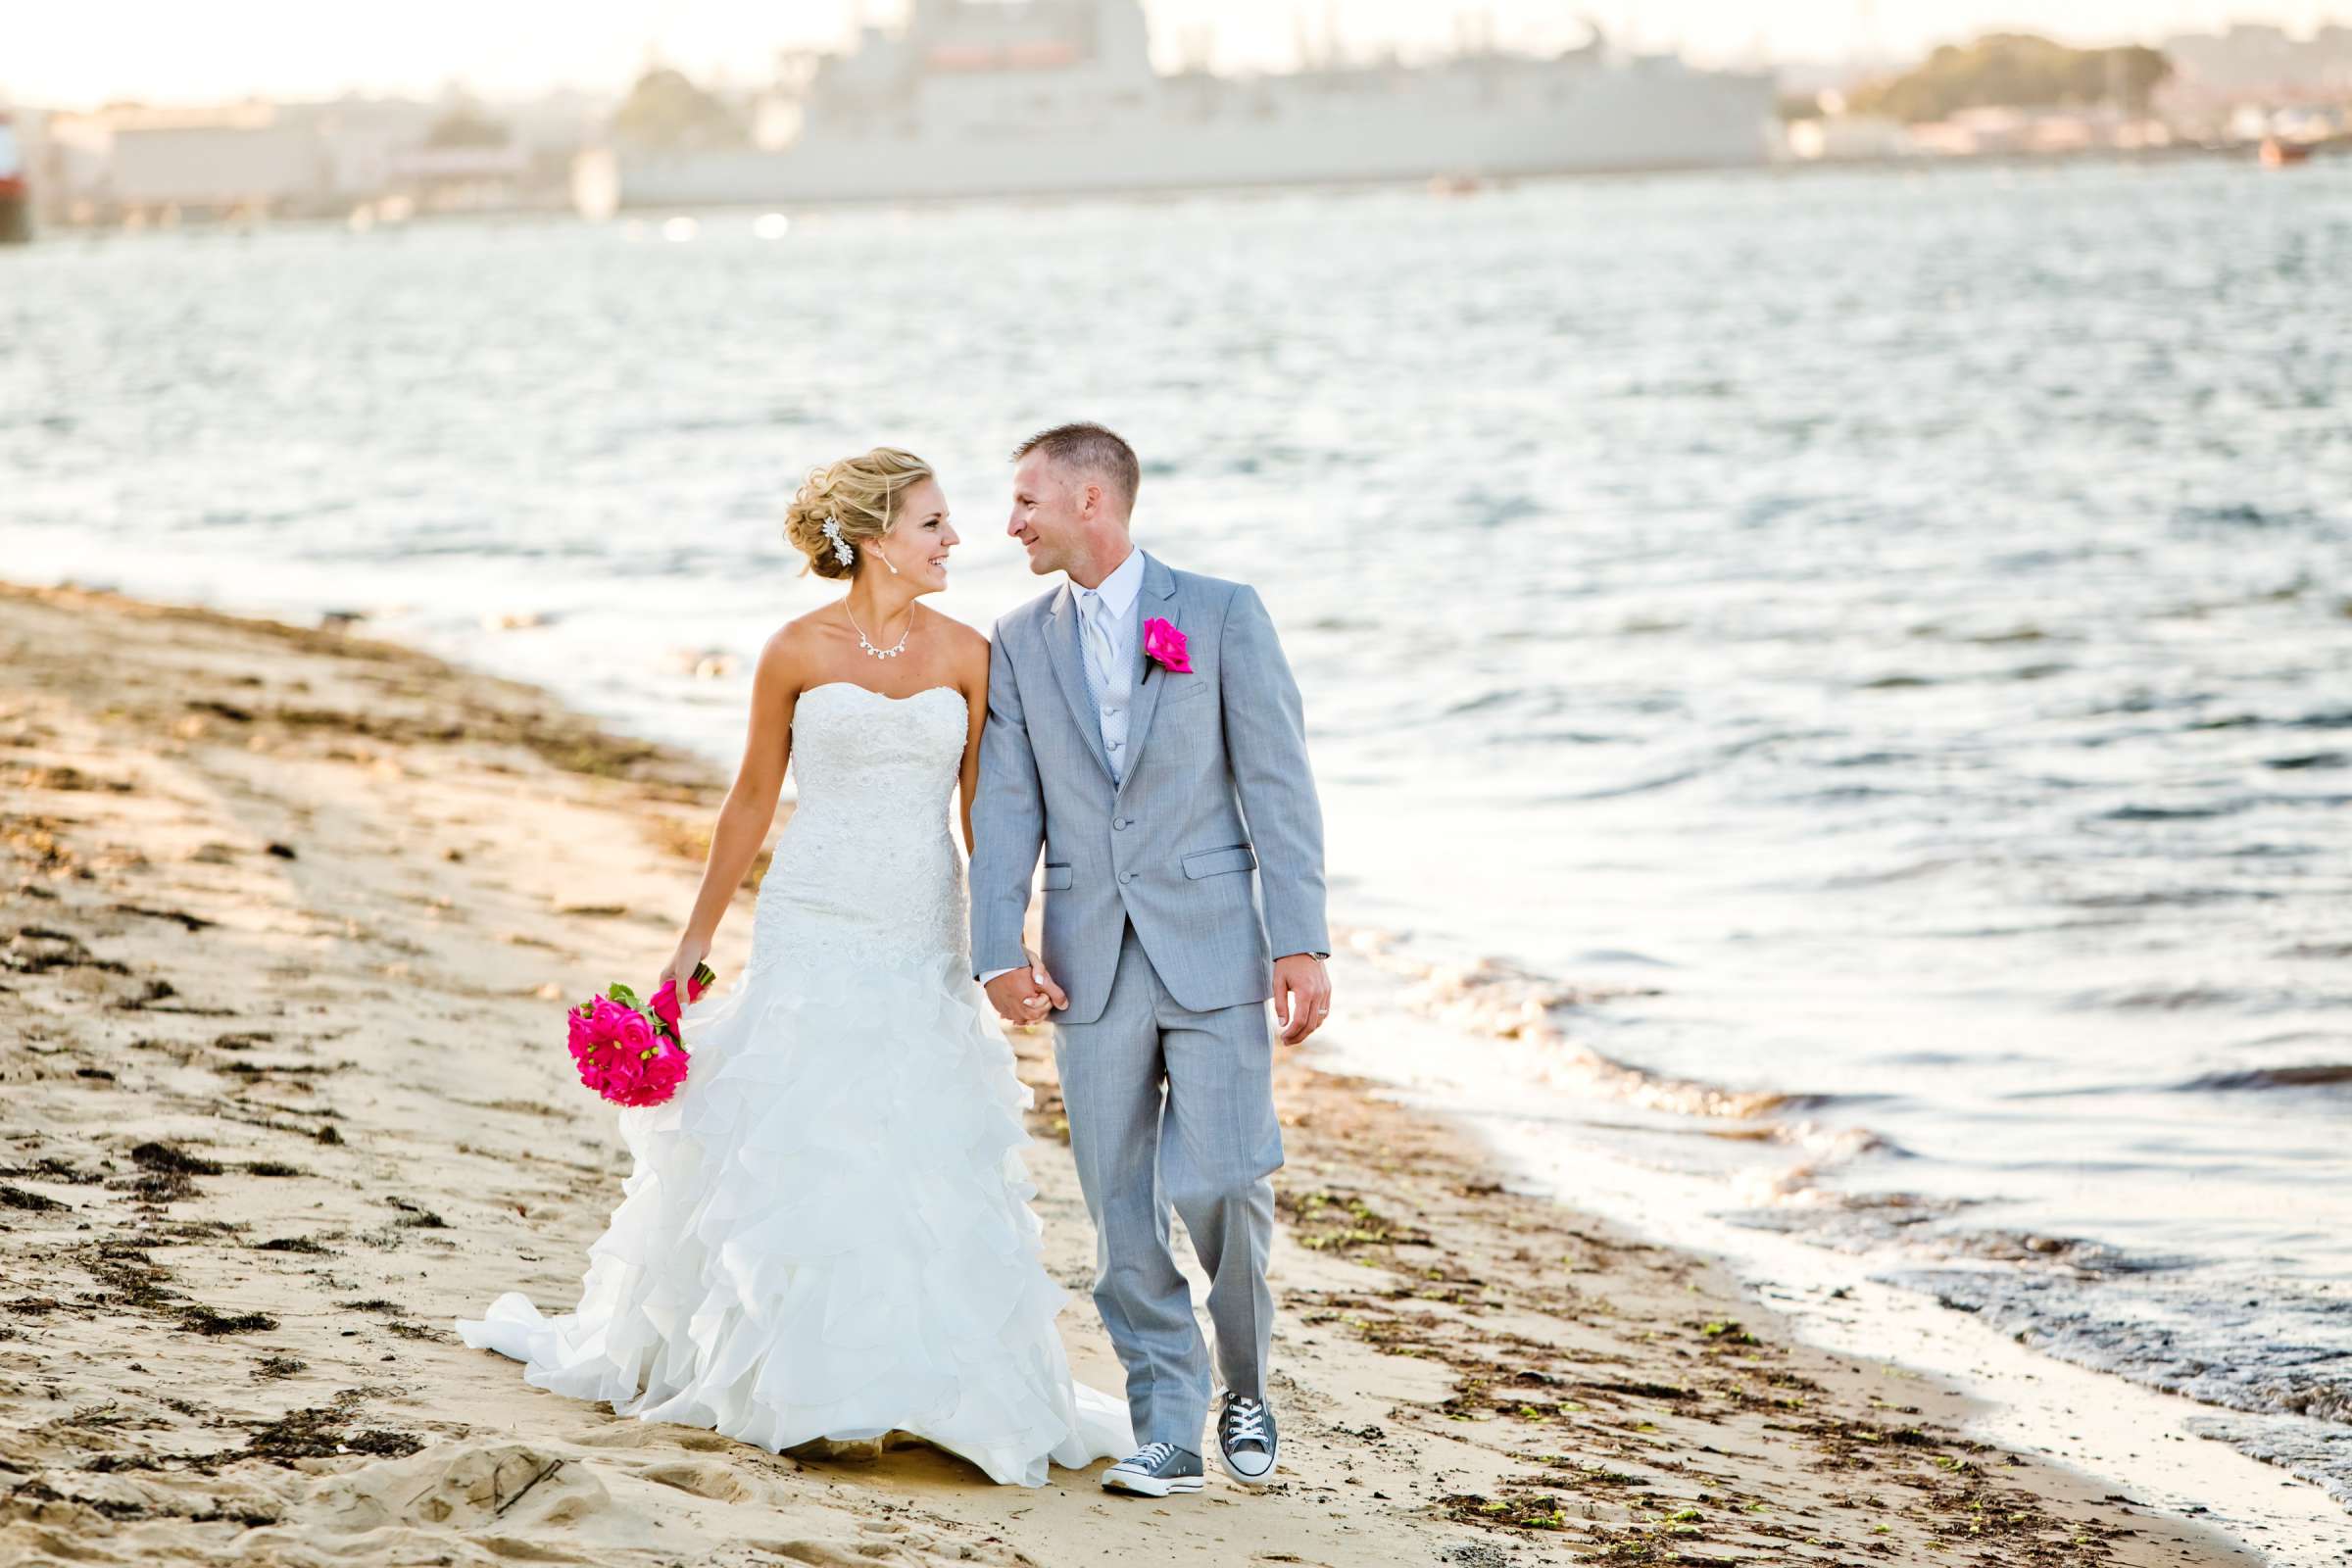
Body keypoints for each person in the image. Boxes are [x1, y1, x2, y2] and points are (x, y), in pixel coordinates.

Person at [456, 446, 1133, 1488]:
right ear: (873, 537)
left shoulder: (968, 653)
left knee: (916, 1139)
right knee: (810, 1132)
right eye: (934, 523)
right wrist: (693, 943)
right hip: (811, 914)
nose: (958, 539)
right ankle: (805, 1382)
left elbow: (983, 814)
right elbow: (749, 805)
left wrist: (1009, 942)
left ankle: (923, 1384)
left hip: (921, 919)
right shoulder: (793, 650)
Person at [971, 421, 1332, 1498]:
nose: (1011, 522)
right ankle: (1166, 1424)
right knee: (1119, 1205)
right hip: (1090, 960)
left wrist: (1300, 937)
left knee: (1224, 1177)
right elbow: (1006, 805)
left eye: (1028, 500)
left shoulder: (1221, 614)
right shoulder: (1018, 637)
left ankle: (1247, 1381)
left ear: (1094, 501)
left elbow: (1278, 781)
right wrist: (999, 945)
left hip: (1218, 944)